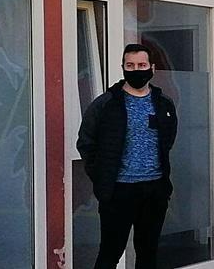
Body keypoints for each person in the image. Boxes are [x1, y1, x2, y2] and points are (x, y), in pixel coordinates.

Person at [77, 44, 178, 269]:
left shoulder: (164, 104)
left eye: (141, 65)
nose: (136, 70)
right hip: (118, 191)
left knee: (148, 253)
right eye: (130, 65)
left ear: (152, 68)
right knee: (110, 253)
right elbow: (86, 142)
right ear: (122, 67)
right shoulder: (105, 104)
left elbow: (168, 139)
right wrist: (102, 177)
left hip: (154, 190)